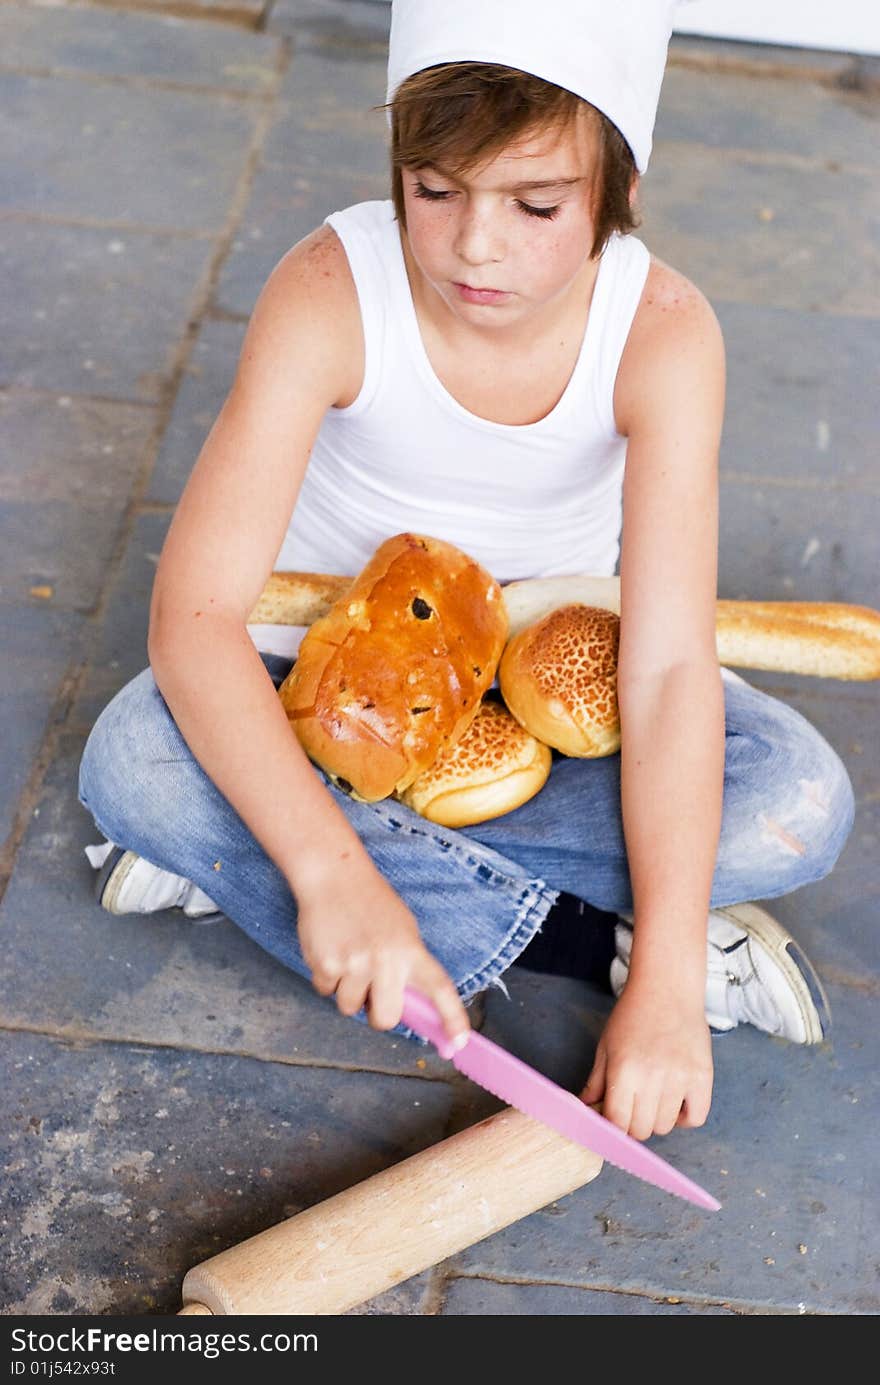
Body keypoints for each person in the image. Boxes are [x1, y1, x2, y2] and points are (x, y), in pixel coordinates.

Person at [77, 0, 855, 1142]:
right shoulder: (330, 289)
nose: (472, 245)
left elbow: (672, 667)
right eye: (433, 192)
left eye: (534, 205)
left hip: (545, 716)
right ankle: (582, 934)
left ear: (613, 195)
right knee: (132, 760)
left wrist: (665, 995)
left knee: (797, 798)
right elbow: (193, 622)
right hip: (325, 692)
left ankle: (264, 860)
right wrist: (337, 881)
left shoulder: (664, 333)